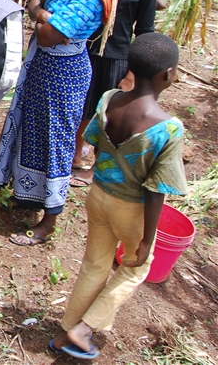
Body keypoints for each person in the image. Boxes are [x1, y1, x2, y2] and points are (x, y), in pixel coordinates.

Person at [0, 0, 127, 246]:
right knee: (33, 131)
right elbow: (35, 4)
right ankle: (28, 196)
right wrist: (43, 15)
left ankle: (49, 221)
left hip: (64, 75)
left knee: (57, 141)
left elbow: (49, 34)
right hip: (43, 70)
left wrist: (41, 15)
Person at [49, 33, 187, 360]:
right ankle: (84, 328)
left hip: (98, 196)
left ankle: (65, 333)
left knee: (94, 265)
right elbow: (156, 189)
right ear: (167, 74)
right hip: (132, 209)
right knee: (137, 267)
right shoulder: (168, 128)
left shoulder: (110, 99)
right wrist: (148, 240)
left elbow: (94, 137)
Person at [71, 0, 158, 188]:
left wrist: (132, 72)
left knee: (103, 114)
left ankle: (96, 167)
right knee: (80, 108)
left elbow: (144, 32)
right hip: (85, 48)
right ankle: (74, 158)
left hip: (115, 57)